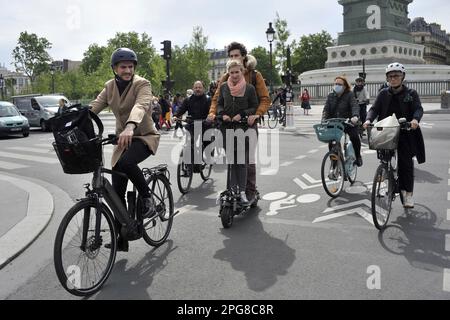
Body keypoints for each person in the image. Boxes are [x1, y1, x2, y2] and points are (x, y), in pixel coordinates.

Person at [89, 47, 160, 251]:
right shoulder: (109, 87)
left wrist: (130, 127)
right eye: (123, 67)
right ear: (114, 68)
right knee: (116, 192)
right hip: (122, 142)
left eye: (130, 66)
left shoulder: (142, 84)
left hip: (143, 137)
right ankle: (121, 238)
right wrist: (74, 120)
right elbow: (95, 107)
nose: (127, 70)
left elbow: (141, 105)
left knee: (127, 163)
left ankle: (147, 198)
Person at [208, 42, 270, 203]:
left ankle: (249, 192)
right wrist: (213, 113)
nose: (234, 58)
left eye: (237, 55)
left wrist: (256, 114)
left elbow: (264, 99)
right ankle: (233, 190)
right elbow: (216, 99)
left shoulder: (255, 75)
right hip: (229, 125)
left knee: (247, 160)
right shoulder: (226, 77)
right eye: (231, 56)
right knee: (232, 160)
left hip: (248, 123)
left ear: (243, 57)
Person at [363, 62, 425, 209]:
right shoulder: (383, 93)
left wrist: (415, 120)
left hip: (405, 132)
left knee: (406, 165)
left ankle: (408, 194)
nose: (393, 78)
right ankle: (385, 170)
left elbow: (418, 108)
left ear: (403, 76)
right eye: (390, 76)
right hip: (387, 131)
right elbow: (374, 109)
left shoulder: (411, 94)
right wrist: (368, 120)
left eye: (396, 75)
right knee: (383, 155)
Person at [216, 59, 258, 206]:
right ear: (228, 73)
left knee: (241, 162)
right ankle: (231, 190)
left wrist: (243, 114)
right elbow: (219, 104)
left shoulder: (249, 88)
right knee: (231, 162)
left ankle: (242, 192)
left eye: (237, 72)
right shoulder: (223, 87)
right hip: (227, 129)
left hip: (243, 129)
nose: (234, 75)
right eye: (231, 72)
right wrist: (222, 114)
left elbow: (254, 106)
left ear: (242, 72)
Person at [322, 76, 363, 167]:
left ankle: (358, 156)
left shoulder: (349, 94)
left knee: (354, 137)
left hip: (348, 122)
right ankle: (334, 163)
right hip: (335, 123)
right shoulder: (330, 95)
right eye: (336, 84)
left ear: (345, 86)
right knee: (332, 142)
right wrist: (324, 120)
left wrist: (355, 116)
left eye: (339, 84)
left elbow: (354, 106)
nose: (337, 85)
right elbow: (326, 110)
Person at [173, 81, 211, 168]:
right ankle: (188, 166)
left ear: (203, 89)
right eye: (196, 87)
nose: (198, 89)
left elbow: (211, 112)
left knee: (206, 142)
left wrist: (210, 118)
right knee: (189, 142)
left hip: (204, 124)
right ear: (193, 88)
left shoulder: (208, 99)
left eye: (200, 87)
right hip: (192, 124)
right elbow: (181, 109)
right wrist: (175, 116)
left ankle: (205, 156)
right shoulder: (188, 100)